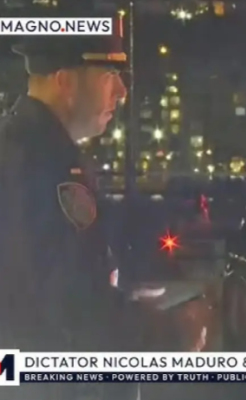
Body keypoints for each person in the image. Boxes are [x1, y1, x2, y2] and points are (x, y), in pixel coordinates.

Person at [0, 32, 145, 399]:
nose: (122, 92)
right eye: (109, 76)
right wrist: (161, 332)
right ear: (65, 81)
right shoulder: (27, 162)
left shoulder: (41, 152)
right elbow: (57, 299)